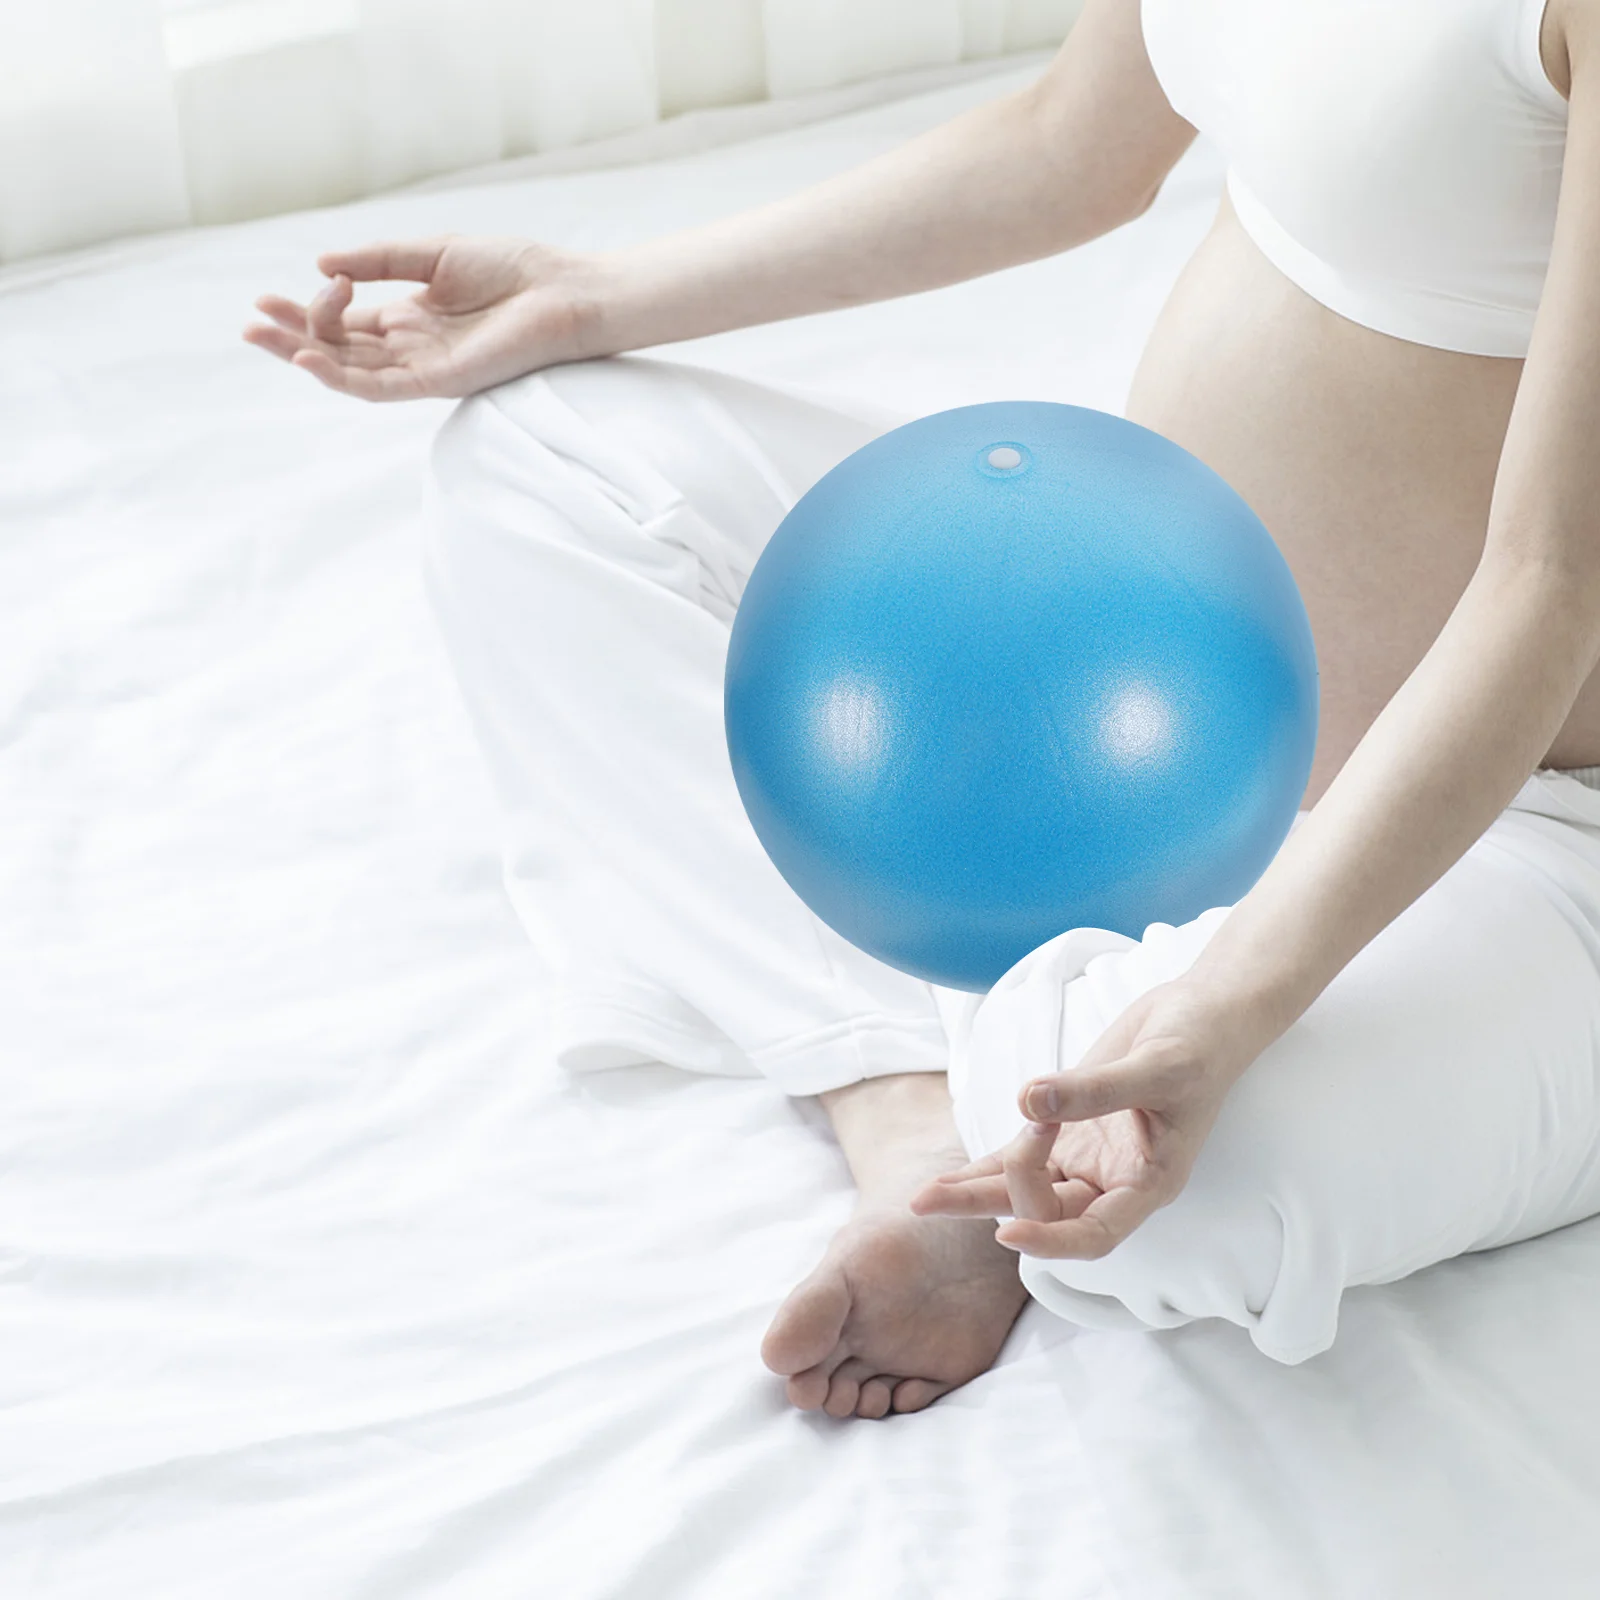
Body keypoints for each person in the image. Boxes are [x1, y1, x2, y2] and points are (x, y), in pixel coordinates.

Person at [245, 0, 1600, 1418]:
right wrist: (584, 297)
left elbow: (1549, 585)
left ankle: (1031, 1057)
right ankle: (907, 1108)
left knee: (1206, 1189)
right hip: (1109, 677)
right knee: (546, 464)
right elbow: (1070, 146)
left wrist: (1230, 1002)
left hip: (1526, 819)